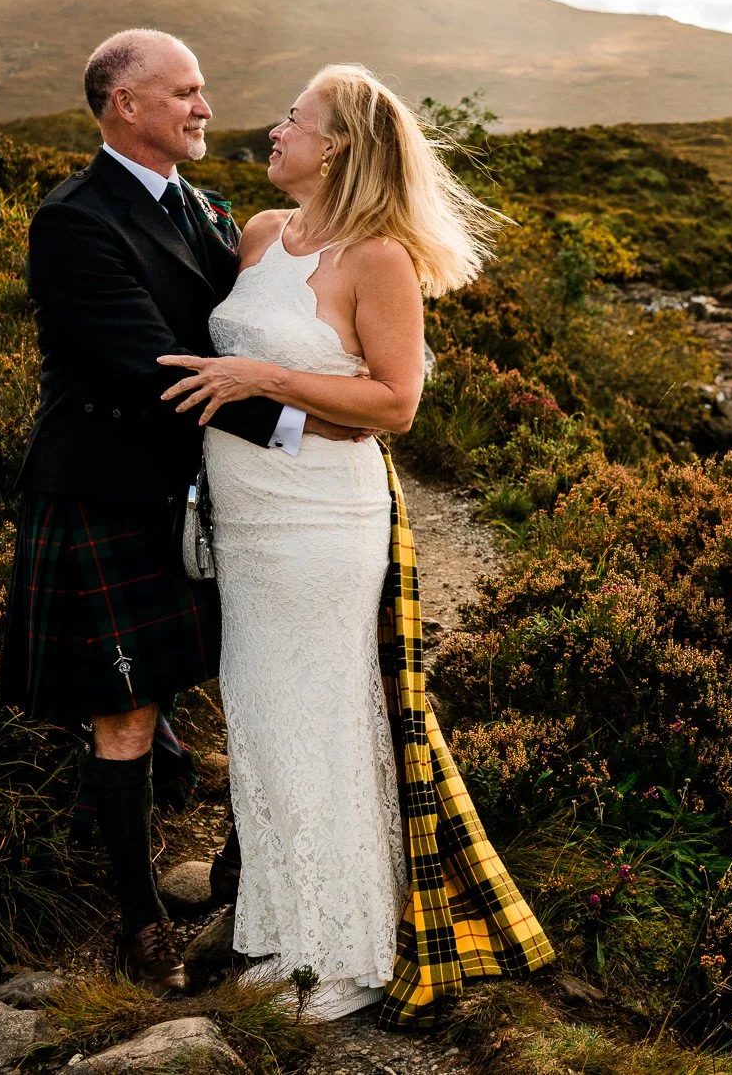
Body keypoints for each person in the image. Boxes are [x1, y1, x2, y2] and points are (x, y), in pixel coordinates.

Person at [156, 63, 552, 1022]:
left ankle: (351, 954)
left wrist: (267, 380)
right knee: (258, 716)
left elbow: (396, 403)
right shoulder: (257, 235)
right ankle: (286, 929)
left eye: (295, 118)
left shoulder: (378, 259)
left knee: (325, 719)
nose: (276, 128)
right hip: (243, 521)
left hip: (321, 523)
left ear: (335, 146)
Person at [1, 30, 355, 993]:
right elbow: (161, 369)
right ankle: (140, 921)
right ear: (125, 105)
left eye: (203, 89)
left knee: (249, 677)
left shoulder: (204, 204)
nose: (205, 107)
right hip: (103, 491)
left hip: (206, 492)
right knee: (125, 711)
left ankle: (241, 877)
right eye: (185, 92)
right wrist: (314, 427)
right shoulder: (74, 222)